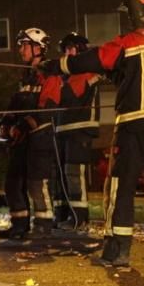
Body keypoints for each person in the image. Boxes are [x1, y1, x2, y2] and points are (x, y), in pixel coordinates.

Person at [43, 0, 144, 268]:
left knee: (121, 185)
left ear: (135, 13)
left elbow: (92, 59)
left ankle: (117, 251)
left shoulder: (129, 42)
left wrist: (58, 66)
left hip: (134, 125)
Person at [0, 28, 59, 240]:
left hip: (40, 137)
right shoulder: (25, 76)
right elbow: (16, 102)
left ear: (38, 48)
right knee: (13, 182)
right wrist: (6, 121)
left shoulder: (49, 74)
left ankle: (43, 223)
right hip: (22, 139)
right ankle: (19, 224)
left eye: (24, 45)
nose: (20, 49)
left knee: (36, 182)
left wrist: (22, 126)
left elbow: (47, 107)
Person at [50, 32, 101, 231]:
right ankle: (61, 214)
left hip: (80, 129)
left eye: (70, 48)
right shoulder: (67, 75)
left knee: (73, 174)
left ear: (80, 49)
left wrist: (55, 83)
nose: (66, 54)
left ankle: (79, 218)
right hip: (63, 128)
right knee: (60, 175)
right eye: (64, 50)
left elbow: (69, 95)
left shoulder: (87, 73)